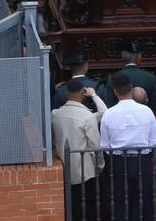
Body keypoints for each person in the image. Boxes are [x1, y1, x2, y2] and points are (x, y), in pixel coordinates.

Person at [100, 72, 156, 221]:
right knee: (144, 203)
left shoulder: (108, 114)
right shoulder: (147, 111)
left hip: (119, 163)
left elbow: (105, 146)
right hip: (143, 161)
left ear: (114, 91)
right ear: (131, 88)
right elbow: (154, 142)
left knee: (120, 202)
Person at [53, 79, 105, 220]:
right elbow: (96, 145)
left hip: (63, 169)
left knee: (70, 207)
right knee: (88, 208)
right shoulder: (87, 117)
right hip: (86, 171)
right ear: (83, 93)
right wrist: (100, 166)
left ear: (65, 94)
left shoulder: (55, 114)